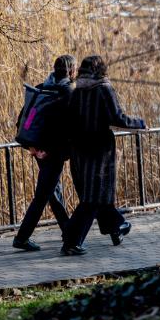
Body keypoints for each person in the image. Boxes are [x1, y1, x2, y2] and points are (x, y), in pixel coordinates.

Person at [61, 55, 146, 256]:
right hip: (99, 152)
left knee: (98, 197)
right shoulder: (103, 89)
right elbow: (117, 117)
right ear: (101, 70)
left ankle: (117, 226)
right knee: (92, 200)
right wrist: (140, 124)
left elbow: (68, 123)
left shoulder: (77, 91)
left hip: (79, 152)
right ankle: (71, 241)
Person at [12, 55, 77, 251]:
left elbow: (23, 121)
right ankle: (22, 238)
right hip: (54, 152)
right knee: (42, 195)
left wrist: (32, 148)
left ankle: (69, 232)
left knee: (52, 192)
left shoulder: (41, 87)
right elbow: (73, 125)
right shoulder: (69, 92)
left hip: (40, 152)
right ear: (72, 71)